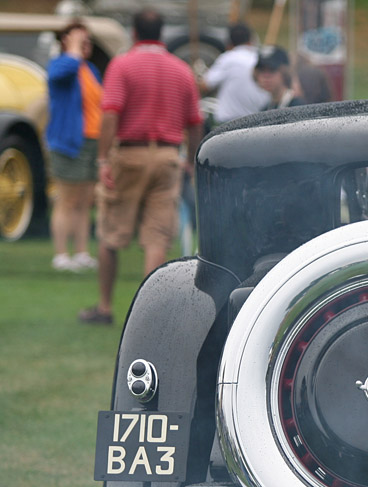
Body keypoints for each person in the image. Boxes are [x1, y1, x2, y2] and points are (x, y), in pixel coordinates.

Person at [78, 9, 203, 325]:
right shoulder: (181, 69)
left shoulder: (122, 64)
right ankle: (152, 314)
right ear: (161, 34)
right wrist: (189, 159)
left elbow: (110, 113)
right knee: (157, 238)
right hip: (167, 157)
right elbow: (195, 121)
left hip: (130, 154)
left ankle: (105, 308)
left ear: (134, 33)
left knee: (111, 233)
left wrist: (104, 158)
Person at [46, 21, 101, 273]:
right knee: (66, 200)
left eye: (87, 41)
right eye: (81, 41)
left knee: (84, 201)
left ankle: (80, 252)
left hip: (91, 141)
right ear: (66, 42)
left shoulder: (89, 69)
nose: (86, 45)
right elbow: (60, 73)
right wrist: (74, 47)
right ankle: (61, 254)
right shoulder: (62, 65)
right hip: (69, 143)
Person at [200, 23, 269, 124]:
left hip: (229, 124)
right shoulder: (261, 58)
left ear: (229, 44)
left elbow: (204, 86)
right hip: (259, 122)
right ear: (251, 40)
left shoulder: (228, 58)